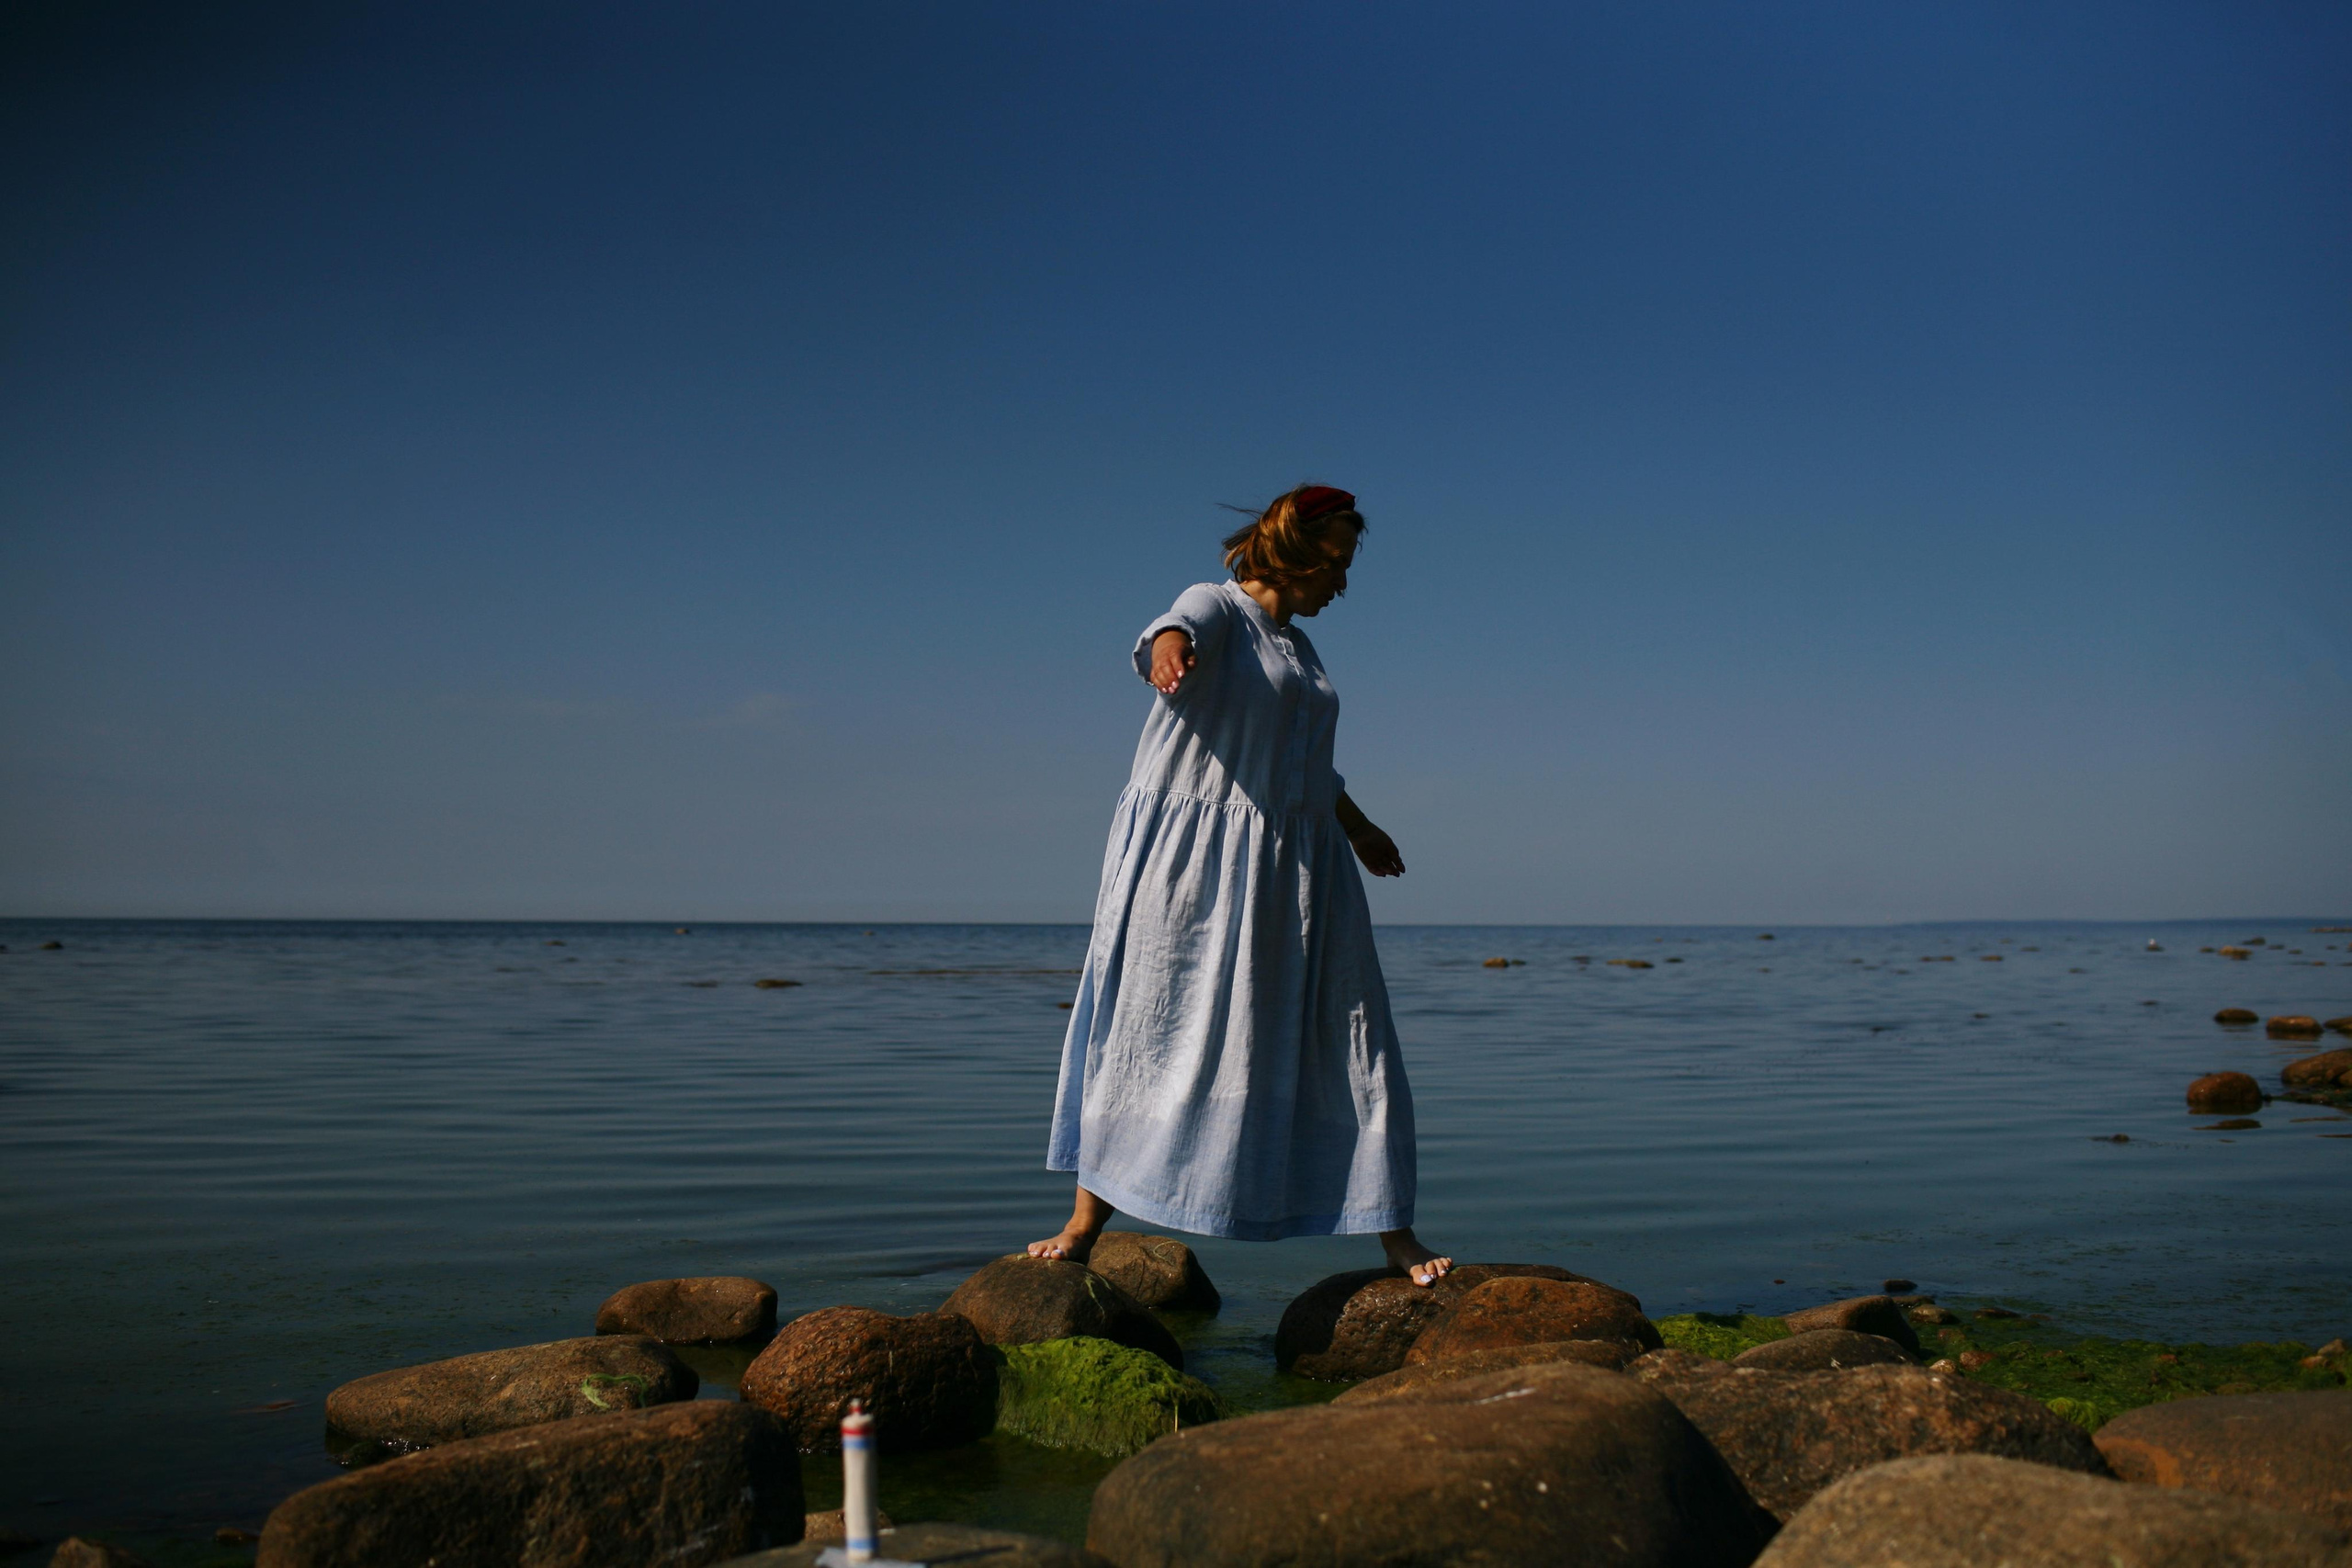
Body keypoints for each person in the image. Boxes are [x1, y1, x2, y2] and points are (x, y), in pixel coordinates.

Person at [1030, 484, 1452, 1285]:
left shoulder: (1301, 649)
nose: (1343, 582)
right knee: (1152, 1028)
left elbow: (1307, 765)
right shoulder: (1217, 607)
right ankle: (1084, 1223)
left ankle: (1395, 1233)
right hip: (1199, 864)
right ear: (1297, 552)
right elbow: (1174, 626)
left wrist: (1359, 827)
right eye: (1336, 563)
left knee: (1351, 1034)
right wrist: (1167, 649)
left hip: (1304, 870)